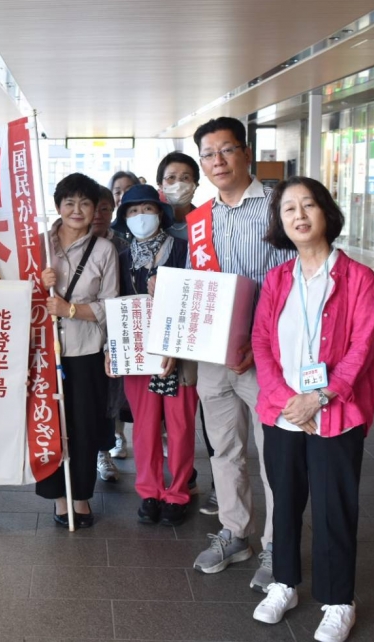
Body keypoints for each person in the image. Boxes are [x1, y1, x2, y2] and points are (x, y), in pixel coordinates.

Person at [251, 177, 374, 642]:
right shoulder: (276, 278)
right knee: (284, 501)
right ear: (280, 222)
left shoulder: (359, 278)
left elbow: (361, 349)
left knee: (334, 507)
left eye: (308, 205)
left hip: (336, 411)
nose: (299, 215)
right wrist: (285, 398)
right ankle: (284, 583)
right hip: (283, 409)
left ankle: (338, 600)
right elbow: (262, 342)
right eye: (289, 209)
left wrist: (319, 397)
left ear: (326, 213)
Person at [187, 117, 292, 593]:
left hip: (265, 354)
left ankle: (276, 545)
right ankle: (235, 533)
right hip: (213, 356)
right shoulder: (201, 218)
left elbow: (293, 281)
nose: (217, 161)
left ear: (245, 153)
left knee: (275, 454)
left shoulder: (278, 208)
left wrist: (258, 341)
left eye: (226, 150)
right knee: (224, 448)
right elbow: (197, 284)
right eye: (208, 155)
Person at [107, 185, 195, 526]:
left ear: (161, 213)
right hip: (138, 357)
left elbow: (197, 300)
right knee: (143, 428)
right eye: (131, 211)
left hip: (180, 357)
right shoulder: (122, 258)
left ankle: (178, 492)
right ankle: (148, 492)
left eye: (147, 209)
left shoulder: (185, 251)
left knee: (181, 427)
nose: (140, 217)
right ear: (124, 219)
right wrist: (110, 349)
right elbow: (114, 306)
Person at [39, 173, 119, 528]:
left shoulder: (104, 250)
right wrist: (38, 284)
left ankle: (82, 496)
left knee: (84, 426)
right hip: (44, 352)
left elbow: (111, 305)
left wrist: (70, 310)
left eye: (85, 203)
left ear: (95, 209)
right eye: (69, 202)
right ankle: (59, 496)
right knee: (50, 425)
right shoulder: (39, 245)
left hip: (86, 351)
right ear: (58, 206)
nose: (76, 210)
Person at [156, 152, 218, 515]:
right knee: (169, 413)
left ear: (196, 181)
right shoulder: (151, 221)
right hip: (161, 333)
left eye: (185, 177)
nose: (177, 183)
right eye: (170, 177)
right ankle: (184, 475)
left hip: (200, 327)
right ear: (160, 182)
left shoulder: (207, 220)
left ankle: (218, 485)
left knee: (208, 409)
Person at [92, 187, 128, 480]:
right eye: (94, 208)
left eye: (104, 209)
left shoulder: (123, 245)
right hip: (82, 332)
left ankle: (106, 449)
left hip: (116, 333)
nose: (98, 215)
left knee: (111, 398)